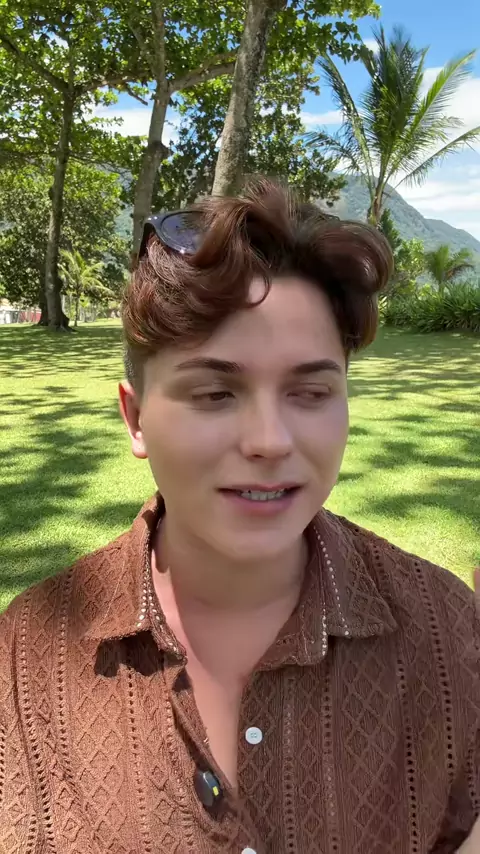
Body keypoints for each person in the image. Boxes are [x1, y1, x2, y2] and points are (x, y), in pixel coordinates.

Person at [0, 180, 478, 853]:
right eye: (215, 393)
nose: (270, 441)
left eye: (310, 392)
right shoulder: (26, 659)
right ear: (136, 419)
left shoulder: (448, 634)